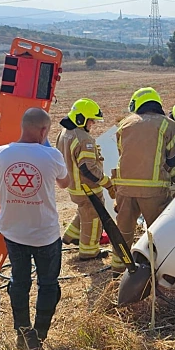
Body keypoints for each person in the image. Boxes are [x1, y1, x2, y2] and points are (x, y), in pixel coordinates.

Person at [0, 108, 70, 350]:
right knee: (48, 284)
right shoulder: (52, 156)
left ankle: (22, 331)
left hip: (13, 234)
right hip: (46, 235)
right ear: (44, 130)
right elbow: (66, 183)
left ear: (22, 127)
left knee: (19, 281)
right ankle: (41, 333)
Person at [110, 88, 175, 273]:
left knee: (123, 232)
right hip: (154, 191)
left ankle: (118, 271)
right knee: (156, 234)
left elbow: (122, 154)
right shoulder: (167, 124)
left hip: (124, 190)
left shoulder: (124, 125)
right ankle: (158, 271)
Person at [57, 99, 114, 260]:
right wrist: (108, 183)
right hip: (87, 189)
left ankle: (71, 236)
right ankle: (89, 252)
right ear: (81, 119)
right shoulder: (83, 139)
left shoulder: (64, 133)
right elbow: (89, 169)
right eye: (91, 120)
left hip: (74, 187)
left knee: (84, 212)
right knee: (94, 218)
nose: (93, 124)